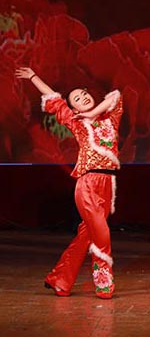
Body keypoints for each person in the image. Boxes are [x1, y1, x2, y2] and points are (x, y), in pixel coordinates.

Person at [15, 67, 122, 299]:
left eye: (84, 94)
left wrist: (93, 114)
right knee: (102, 235)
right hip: (88, 184)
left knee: (87, 236)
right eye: (77, 99)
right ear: (74, 109)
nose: (83, 97)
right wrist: (33, 77)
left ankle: (60, 280)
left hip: (107, 184)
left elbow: (116, 96)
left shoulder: (110, 119)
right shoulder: (75, 121)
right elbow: (53, 98)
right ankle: (104, 285)